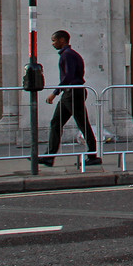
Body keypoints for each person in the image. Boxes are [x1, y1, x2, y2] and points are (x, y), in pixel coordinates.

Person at [39, 30, 99, 168]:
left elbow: (69, 76)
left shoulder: (68, 55)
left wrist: (55, 93)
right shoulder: (70, 55)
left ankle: (93, 156)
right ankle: (49, 157)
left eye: (54, 40)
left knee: (82, 124)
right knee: (56, 123)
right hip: (71, 93)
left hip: (72, 93)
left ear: (62, 40)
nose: (53, 44)